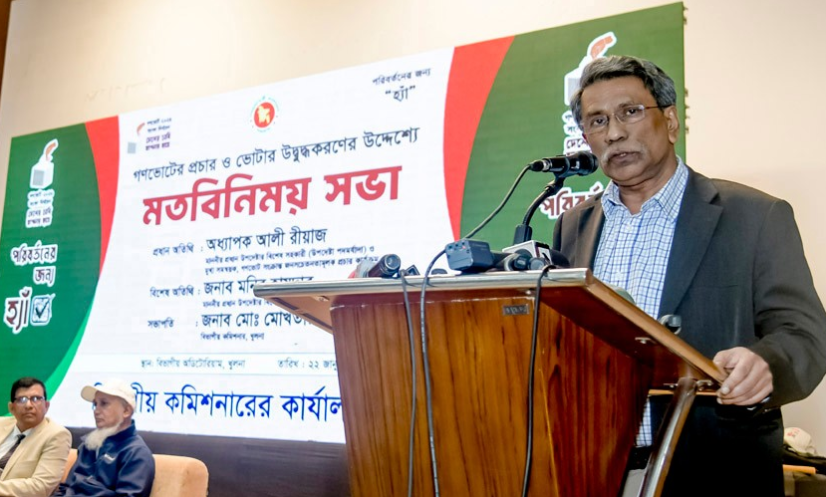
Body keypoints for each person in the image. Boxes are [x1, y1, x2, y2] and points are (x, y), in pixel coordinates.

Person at [553, 54, 826, 496]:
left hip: (713, 471)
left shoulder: (754, 216)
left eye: (630, 112)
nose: (614, 133)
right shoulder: (573, 226)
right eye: (597, 121)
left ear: (671, 121)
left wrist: (767, 364)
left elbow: (806, 335)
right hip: (596, 471)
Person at [53, 380, 154, 497]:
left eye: (104, 403)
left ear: (126, 411)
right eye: (95, 404)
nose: (96, 410)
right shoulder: (90, 444)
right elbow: (67, 488)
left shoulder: (136, 453)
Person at [0, 377, 71, 497]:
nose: (28, 405)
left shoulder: (57, 435)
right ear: (11, 408)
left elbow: (41, 487)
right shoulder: (2, 424)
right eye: (22, 399)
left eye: (36, 399)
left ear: (46, 406)